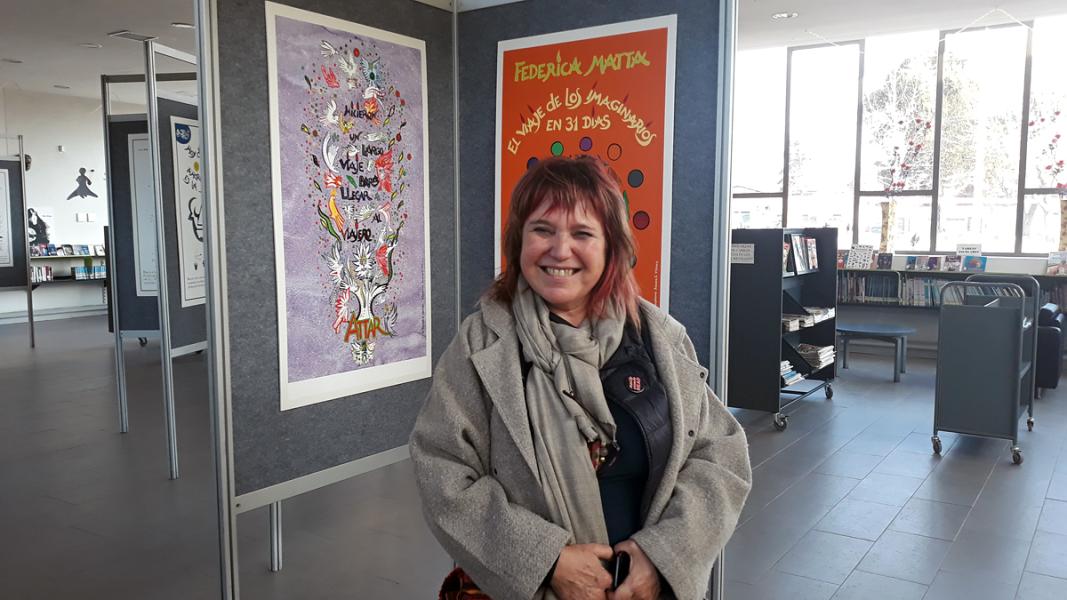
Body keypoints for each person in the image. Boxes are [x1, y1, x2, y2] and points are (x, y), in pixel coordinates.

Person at [410, 156, 751, 600]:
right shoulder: (481, 344)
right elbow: (442, 470)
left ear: (611, 246)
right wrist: (546, 561)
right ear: (519, 240)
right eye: (542, 230)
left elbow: (719, 454)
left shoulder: (659, 338)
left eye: (582, 233)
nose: (560, 250)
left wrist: (663, 557)